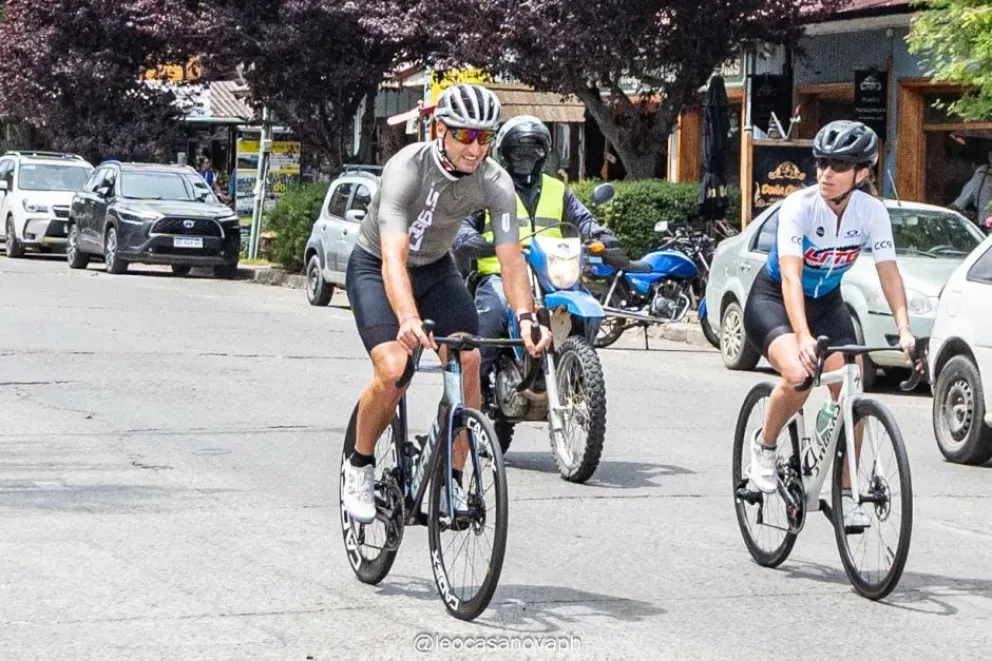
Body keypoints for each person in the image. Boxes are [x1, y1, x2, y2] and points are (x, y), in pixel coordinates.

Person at [341, 84, 553, 524]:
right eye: (465, 136)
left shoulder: (495, 182)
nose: (476, 148)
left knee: (469, 359)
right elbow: (394, 258)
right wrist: (407, 318)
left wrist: (528, 318)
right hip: (378, 265)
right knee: (395, 369)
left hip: (436, 269)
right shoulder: (407, 168)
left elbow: (511, 262)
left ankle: (450, 480)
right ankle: (358, 465)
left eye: (485, 137)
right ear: (440, 129)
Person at [741, 120, 920, 528]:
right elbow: (789, 276)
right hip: (775, 300)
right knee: (800, 375)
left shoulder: (870, 212)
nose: (825, 172)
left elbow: (889, 273)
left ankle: (845, 492)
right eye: (821, 162)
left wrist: (905, 327)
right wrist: (802, 336)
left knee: (852, 388)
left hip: (826, 303)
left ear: (861, 174)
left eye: (838, 165)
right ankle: (765, 446)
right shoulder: (799, 206)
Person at [453, 114, 619, 380]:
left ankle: (576, 375)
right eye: (518, 151)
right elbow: (462, 227)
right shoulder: (486, 188)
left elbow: (584, 220)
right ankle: (477, 389)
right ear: (504, 153)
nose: (526, 157)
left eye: (533, 150)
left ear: (544, 154)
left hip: (551, 271)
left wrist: (603, 237)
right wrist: (474, 241)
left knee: (588, 310)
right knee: (493, 315)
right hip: (499, 272)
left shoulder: (558, 189)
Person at [950, 149, 992, 230]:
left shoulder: (980, 178)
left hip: (987, 227)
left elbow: (958, 205)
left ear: (973, 165)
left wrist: (938, 212)